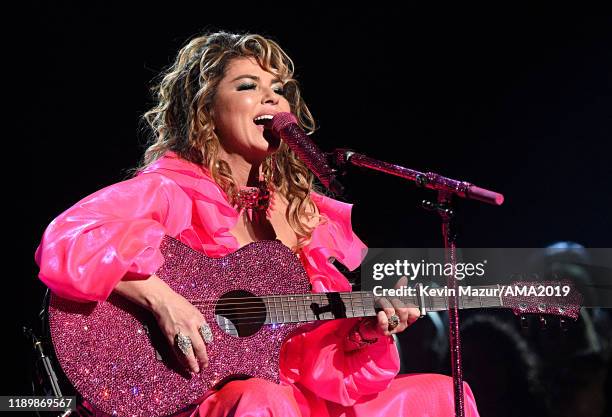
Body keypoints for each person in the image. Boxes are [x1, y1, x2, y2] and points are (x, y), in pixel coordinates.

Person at [35, 31, 480, 417]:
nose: (272, 98)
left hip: (291, 395)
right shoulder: (170, 188)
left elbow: (312, 360)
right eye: (249, 86)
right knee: (266, 401)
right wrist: (161, 299)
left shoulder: (307, 217)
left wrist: (364, 331)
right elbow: (69, 239)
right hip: (196, 397)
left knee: (444, 396)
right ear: (205, 110)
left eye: (280, 89)